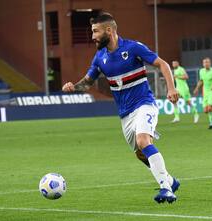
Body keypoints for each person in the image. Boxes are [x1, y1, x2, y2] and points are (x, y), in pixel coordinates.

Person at [62, 13, 180, 203]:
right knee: (141, 154)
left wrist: (171, 88)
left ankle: (166, 189)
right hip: (125, 114)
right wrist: (73, 87)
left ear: (109, 30)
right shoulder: (100, 58)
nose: (93, 36)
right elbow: (87, 82)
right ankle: (170, 180)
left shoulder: (133, 48)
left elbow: (162, 64)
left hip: (144, 104)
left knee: (143, 141)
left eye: (95, 31)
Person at [193, 57, 212, 129]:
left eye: (207, 62)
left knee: (209, 108)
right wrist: (197, 88)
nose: (206, 64)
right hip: (205, 92)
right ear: (203, 64)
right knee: (205, 111)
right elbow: (201, 81)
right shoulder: (201, 71)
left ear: (210, 63)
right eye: (205, 62)